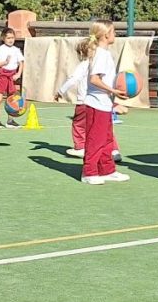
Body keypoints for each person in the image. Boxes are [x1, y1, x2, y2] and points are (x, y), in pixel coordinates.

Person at [81, 21, 130, 185]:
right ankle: (89, 172)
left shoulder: (105, 53)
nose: (115, 34)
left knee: (107, 139)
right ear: (105, 35)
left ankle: (107, 170)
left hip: (104, 104)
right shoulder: (101, 54)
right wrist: (113, 91)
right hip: (96, 104)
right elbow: (94, 79)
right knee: (95, 140)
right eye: (114, 31)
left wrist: (113, 99)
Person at [56, 39, 90, 157]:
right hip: (98, 102)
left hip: (84, 102)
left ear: (81, 53)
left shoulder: (84, 65)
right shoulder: (100, 64)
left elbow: (73, 79)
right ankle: (111, 149)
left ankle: (80, 146)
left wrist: (61, 91)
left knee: (78, 125)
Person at [0, 28, 24, 129]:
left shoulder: (16, 50)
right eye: (8, 38)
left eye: (12, 38)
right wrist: (4, 62)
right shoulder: (0, 49)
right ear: (3, 38)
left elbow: (21, 63)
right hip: (2, 75)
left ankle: (10, 120)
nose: (10, 40)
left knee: (11, 98)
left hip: (12, 76)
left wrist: (18, 74)